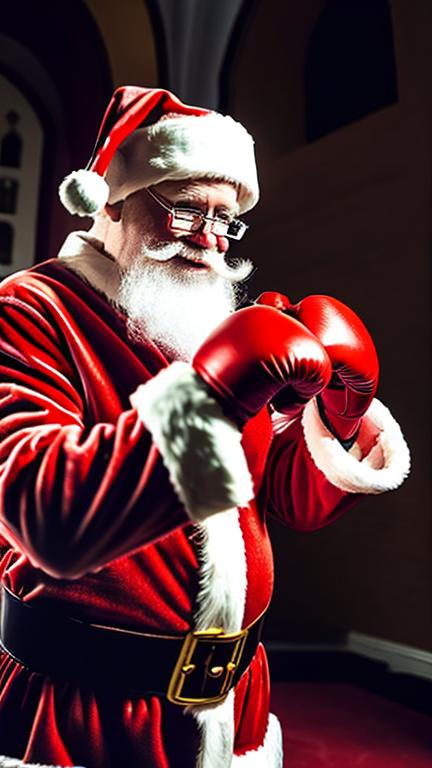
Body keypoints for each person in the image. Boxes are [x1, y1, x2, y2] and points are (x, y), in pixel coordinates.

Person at [0, 87, 410, 768]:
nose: (211, 237)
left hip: (235, 701)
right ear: (113, 201)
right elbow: (43, 513)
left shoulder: (199, 322)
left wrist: (336, 419)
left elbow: (286, 502)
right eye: (187, 208)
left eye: (227, 219)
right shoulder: (29, 308)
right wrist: (217, 394)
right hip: (85, 708)